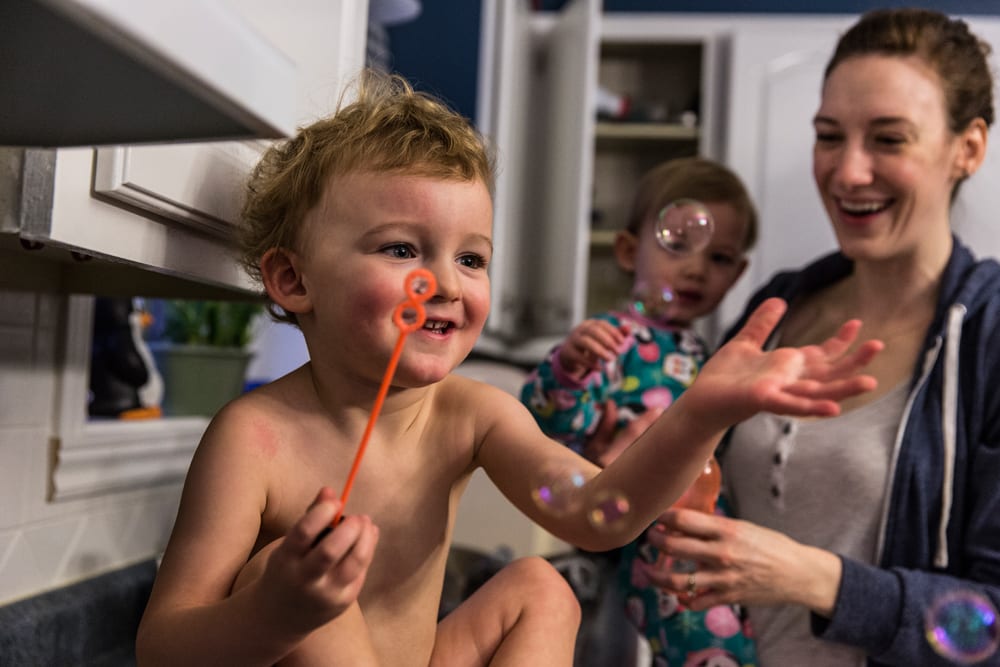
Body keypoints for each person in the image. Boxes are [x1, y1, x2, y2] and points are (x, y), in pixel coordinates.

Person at [134, 68, 883, 667]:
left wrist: (700, 411)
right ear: (294, 280)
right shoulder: (254, 438)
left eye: (471, 258)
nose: (450, 284)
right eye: (402, 249)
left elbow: (599, 515)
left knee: (540, 588)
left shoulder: (472, 413)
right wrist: (278, 613)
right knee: (272, 568)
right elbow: (163, 647)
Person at [643, 8, 1000, 667]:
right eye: (829, 136)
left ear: (968, 148)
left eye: (888, 140)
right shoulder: (781, 302)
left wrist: (812, 577)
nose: (847, 172)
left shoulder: (989, 336)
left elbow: (992, 623)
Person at [520, 157, 759, 666]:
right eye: (680, 246)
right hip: (645, 543)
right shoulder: (611, 340)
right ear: (628, 250)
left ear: (738, 274)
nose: (697, 268)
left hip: (702, 542)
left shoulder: (708, 354)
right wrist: (569, 367)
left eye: (719, 259)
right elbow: (549, 427)